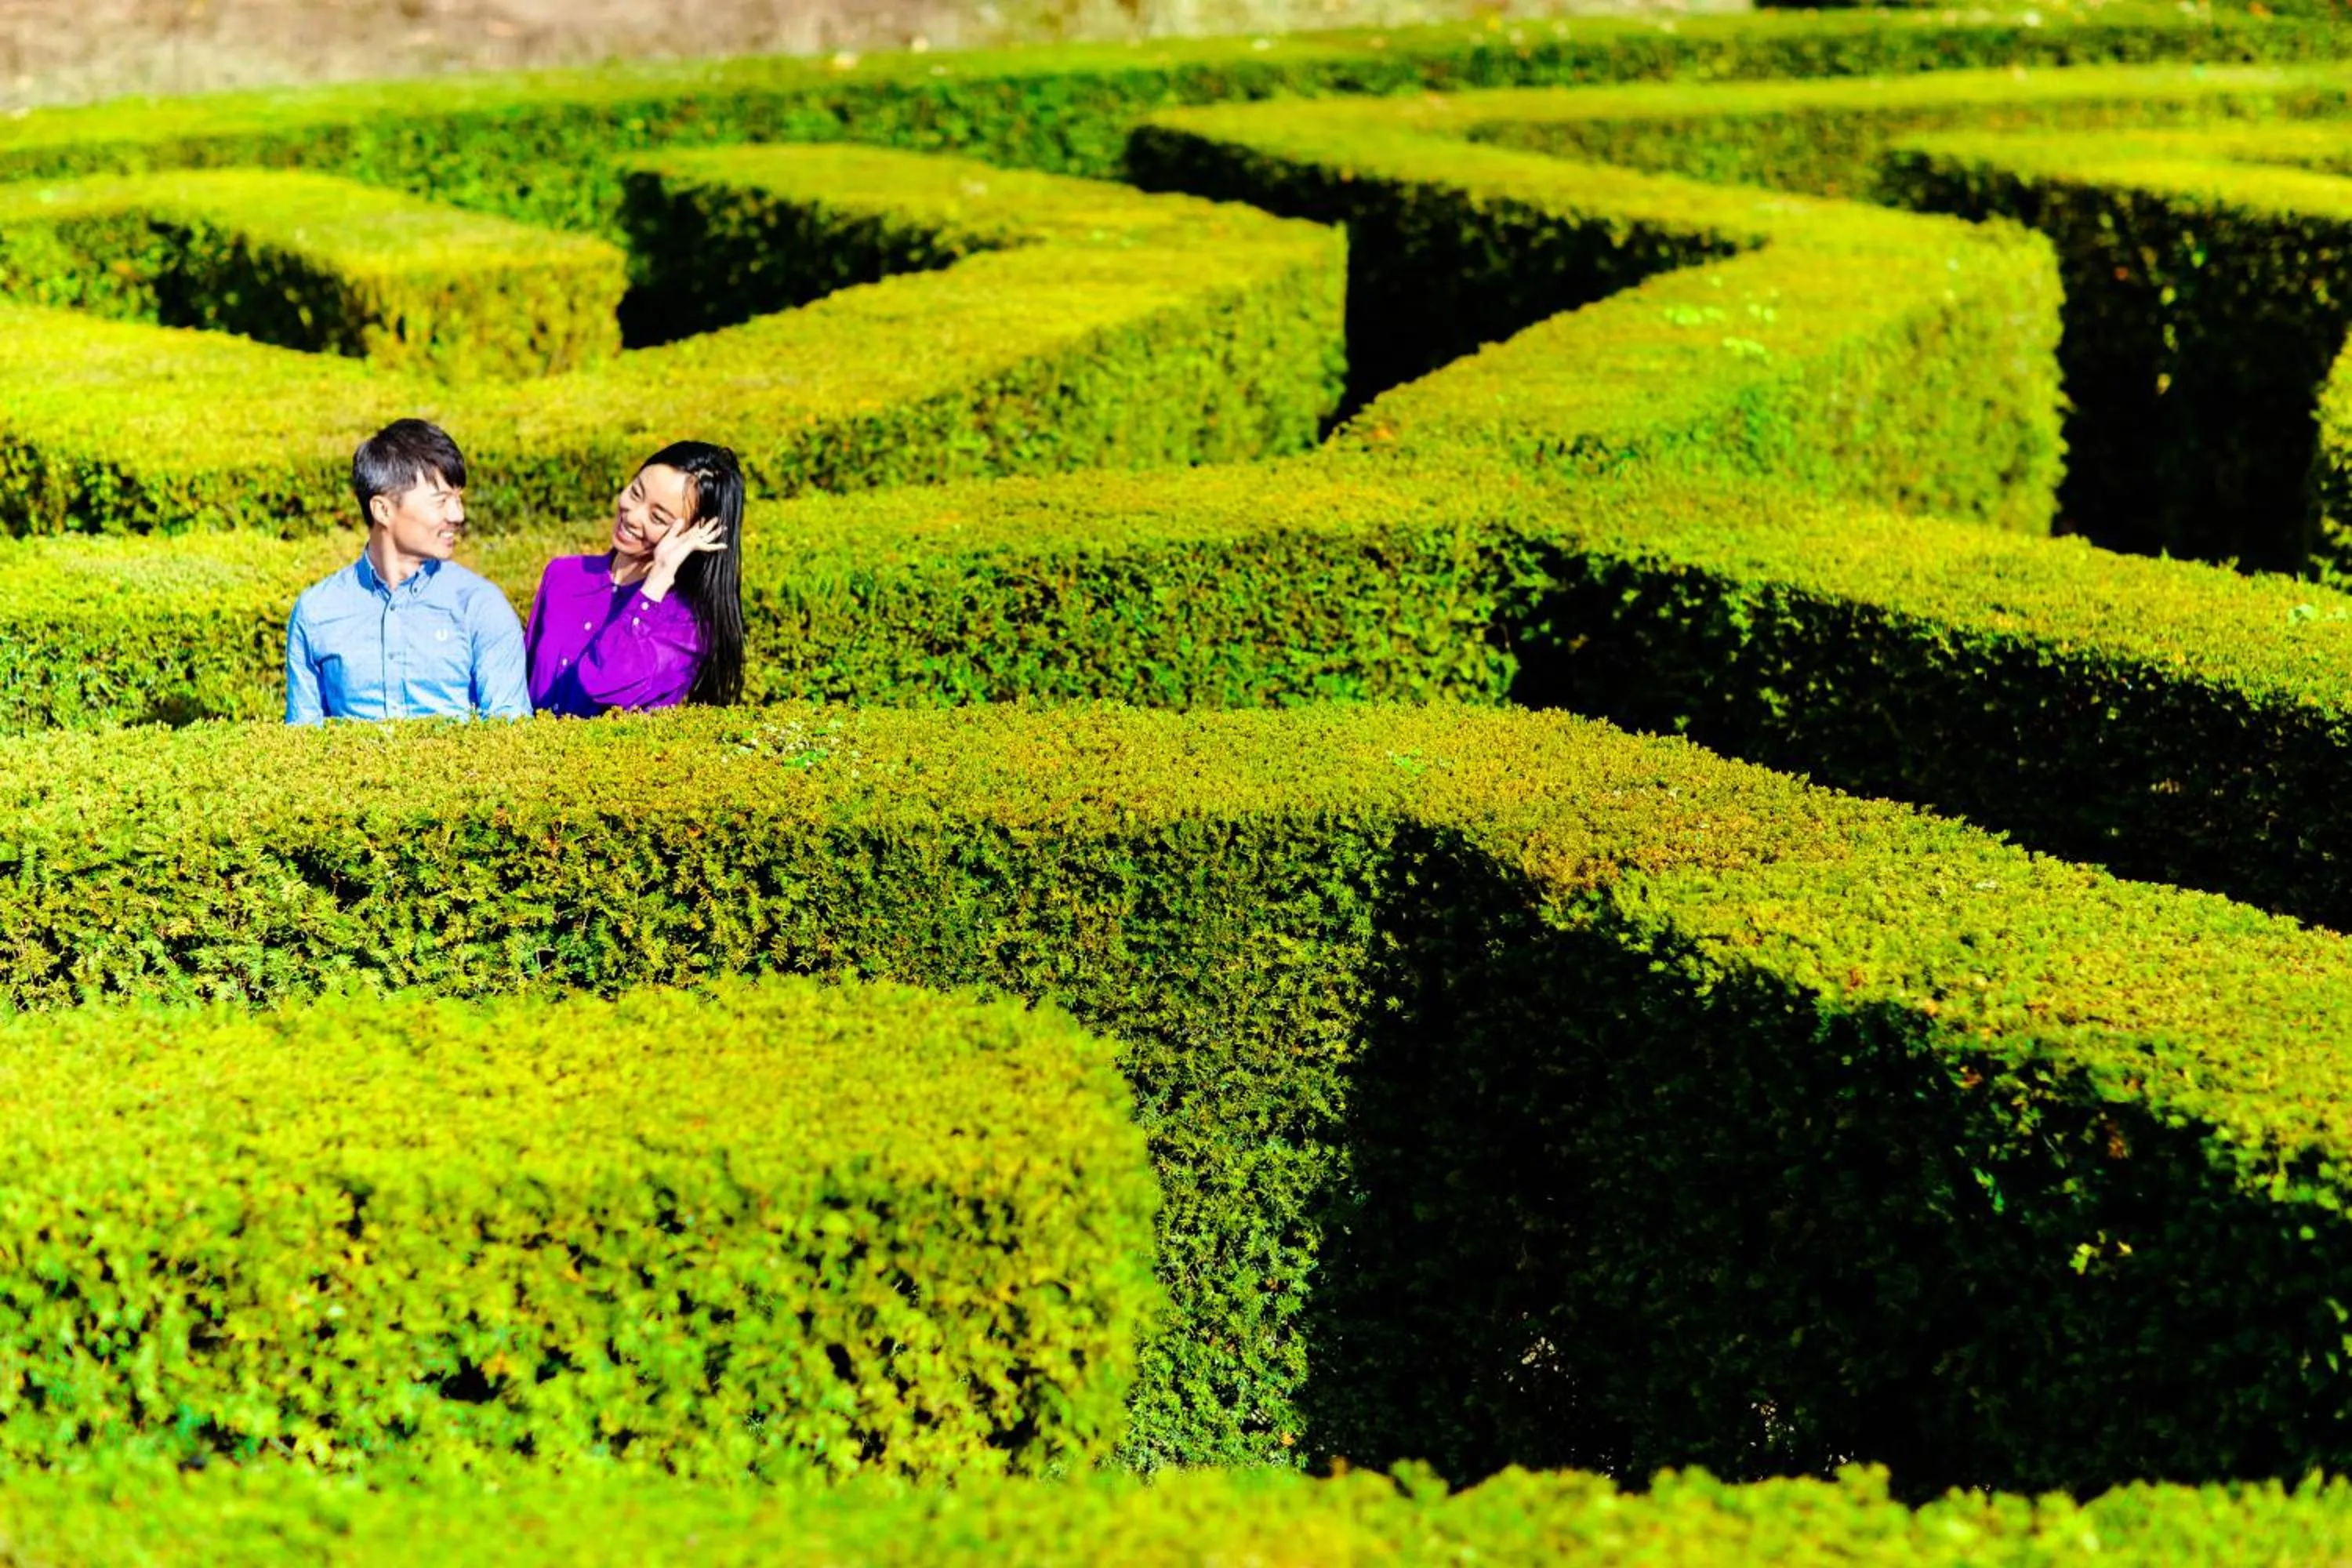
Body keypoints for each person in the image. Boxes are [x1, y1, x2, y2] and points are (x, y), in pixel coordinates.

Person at [285, 419, 530, 724]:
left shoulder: (480, 605)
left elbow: (511, 736)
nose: (458, 515)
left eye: (458, 499)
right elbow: (301, 743)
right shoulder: (317, 611)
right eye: (441, 501)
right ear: (383, 510)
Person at [524, 441, 745, 717]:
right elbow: (521, 682)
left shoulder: (687, 624)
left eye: (658, 517)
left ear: (694, 535)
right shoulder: (564, 575)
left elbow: (606, 682)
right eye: (636, 492)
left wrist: (658, 579)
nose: (633, 515)